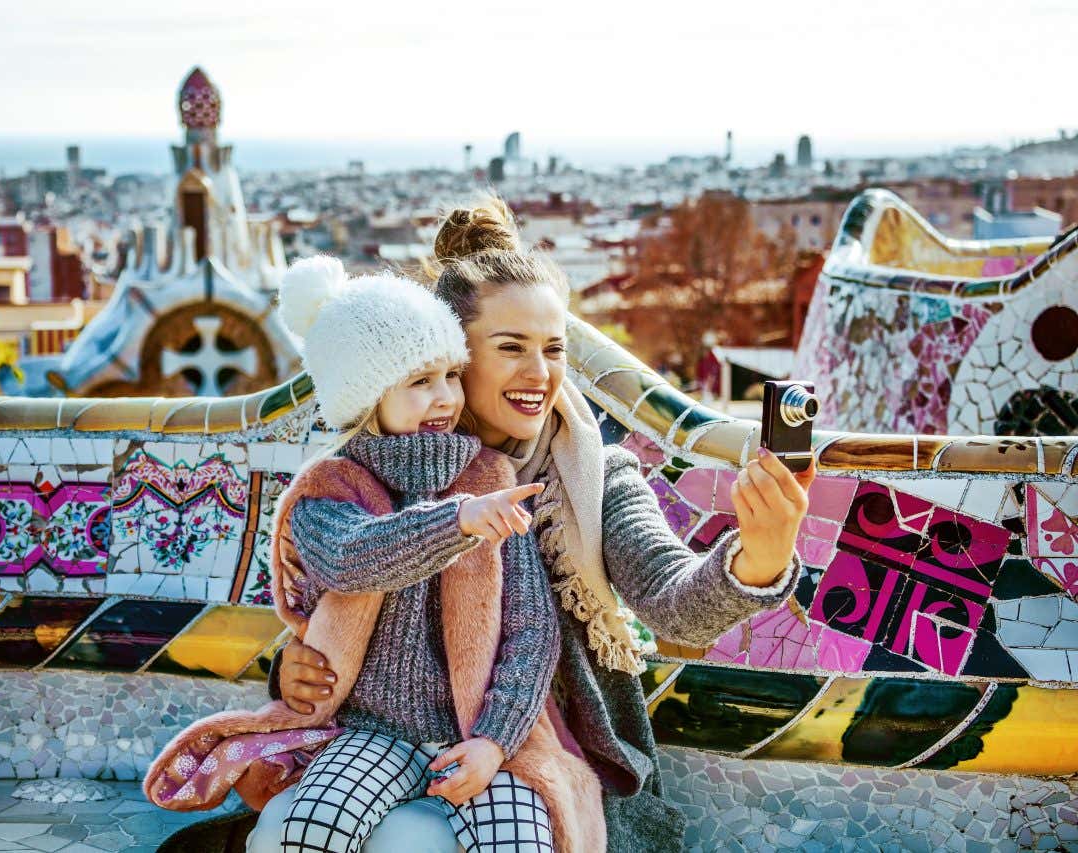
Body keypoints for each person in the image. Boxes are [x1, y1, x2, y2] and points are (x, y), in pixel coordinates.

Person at [262, 198, 816, 852]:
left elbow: (674, 601)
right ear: (455, 355)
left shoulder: (593, 474)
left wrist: (760, 556)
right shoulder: (382, 460)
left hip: (543, 750)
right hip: (386, 742)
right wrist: (294, 669)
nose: (540, 373)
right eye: (511, 348)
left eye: (553, 349)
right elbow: (341, 581)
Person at [145, 257, 604, 853]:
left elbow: (531, 631)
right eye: (418, 382)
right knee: (309, 832)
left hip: (484, 737)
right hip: (372, 731)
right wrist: (457, 522)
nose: (444, 398)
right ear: (367, 397)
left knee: (521, 841)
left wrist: (494, 739)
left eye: (450, 375)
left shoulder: (489, 474)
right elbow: (353, 558)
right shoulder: (331, 489)